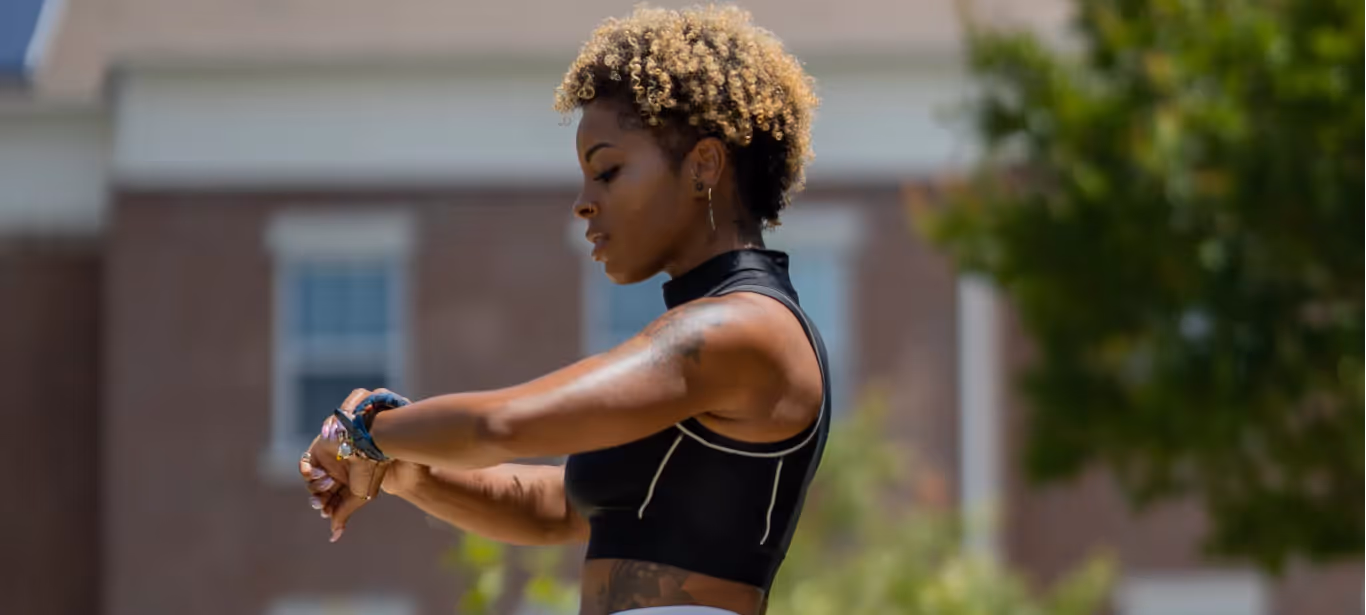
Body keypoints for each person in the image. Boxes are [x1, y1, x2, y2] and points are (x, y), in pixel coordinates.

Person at [298, 5, 828, 614]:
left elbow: (500, 426)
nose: (583, 203)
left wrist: (363, 430)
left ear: (703, 166)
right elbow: (553, 511)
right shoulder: (706, 333)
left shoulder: (742, 330)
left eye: (608, 171)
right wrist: (401, 471)